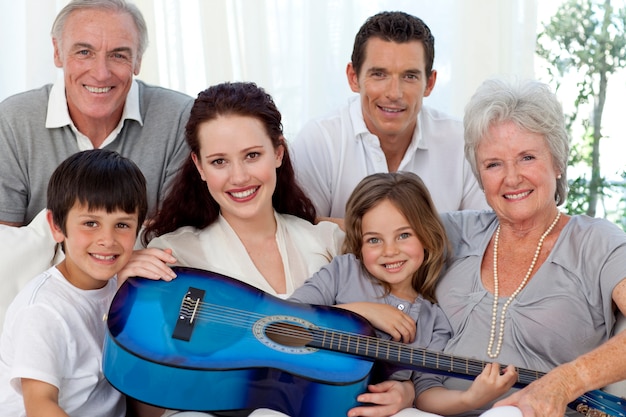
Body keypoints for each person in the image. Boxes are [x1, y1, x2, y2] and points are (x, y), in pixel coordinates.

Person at [126, 82, 428, 417]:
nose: (238, 177)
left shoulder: (328, 242)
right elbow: (150, 391)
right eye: (219, 161)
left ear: (278, 152)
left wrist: (406, 389)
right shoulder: (172, 256)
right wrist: (120, 280)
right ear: (199, 166)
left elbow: (396, 331)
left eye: (252, 155)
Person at [433, 77, 626, 417]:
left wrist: (567, 380)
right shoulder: (452, 232)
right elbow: (368, 233)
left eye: (527, 157)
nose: (511, 178)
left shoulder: (598, 242)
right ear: (479, 175)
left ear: (557, 161)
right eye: (493, 164)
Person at [289, 172, 518, 416]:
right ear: (360, 243)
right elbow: (284, 318)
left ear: (426, 236)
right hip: (304, 402)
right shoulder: (343, 271)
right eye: (374, 240)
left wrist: (470, 398)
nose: (390, 251)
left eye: (404, 235)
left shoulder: (434, 321)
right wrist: (362, 311)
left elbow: (425, 392)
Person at [0, 0, 193, 227]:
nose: (101, 74)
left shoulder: (180, 118)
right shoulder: (12, 121)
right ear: (57, 52)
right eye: (84, 52)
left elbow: (177, 235)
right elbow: (5, 244)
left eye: (118, 55)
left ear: (138, 60)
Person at [290, 11, 488, 225]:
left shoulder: (461, 142)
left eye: (409, 76)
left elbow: (484, 231)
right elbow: (301, 233)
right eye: (379, 75)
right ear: (353, 78)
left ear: (429, 83)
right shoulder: (320, 141)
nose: (394, 93)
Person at [0, 149, 151, 416]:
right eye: (91, 223)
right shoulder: (42, 310)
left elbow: (145, 402)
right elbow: (39, 405)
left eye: (123, 225)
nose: (107, 239)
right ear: (57, 226)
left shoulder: (124, 290)